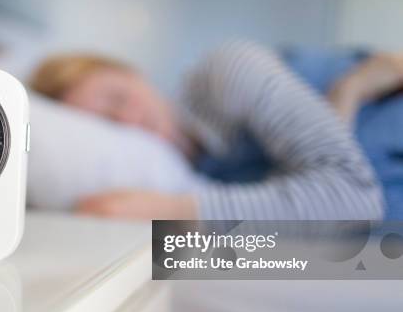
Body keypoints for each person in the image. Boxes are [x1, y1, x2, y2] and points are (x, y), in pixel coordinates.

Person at [30, 41, 403, 220]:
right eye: (108, 125)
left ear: (135, 74)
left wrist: (169, 209)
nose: (128, 120)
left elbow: (352, 197)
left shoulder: (225, 74)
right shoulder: (196, 170)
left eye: (118, 97)